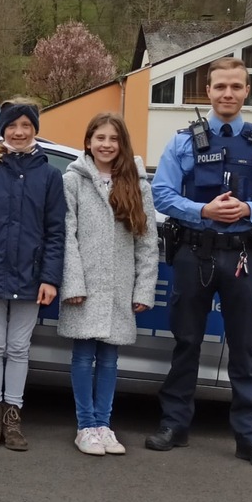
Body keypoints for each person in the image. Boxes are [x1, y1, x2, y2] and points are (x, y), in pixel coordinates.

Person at [147, 57, 252, 470]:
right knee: (186, 343)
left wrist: (248, 207)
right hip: (194, 253)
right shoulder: (181, 142)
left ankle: (251, 438)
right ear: (207, 92)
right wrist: (204, 211)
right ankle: (174, 425)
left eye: (235, 87)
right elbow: (161, 195)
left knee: (245, 350)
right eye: (219, 87)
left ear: (247, 91)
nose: (227, 94)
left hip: (244, 256)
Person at [0, 99, 65, 452]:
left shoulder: (50, 176)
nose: (19, 132)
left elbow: (55, 231)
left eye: (26, 126)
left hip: (31, 276)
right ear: (2, 130)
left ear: (35, 129)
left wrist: (50, 277)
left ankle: (13, 415)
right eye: (12, 126)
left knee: (18, 347)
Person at [58, 113, 157, 456]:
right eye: (99, 138)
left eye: (113, 139)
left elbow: (147, 242)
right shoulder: (73, 180)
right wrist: (72, 282)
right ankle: (85, 426)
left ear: (122, 144)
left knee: (110, 358)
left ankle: (104, 423)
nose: (106, 145)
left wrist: (143, 288)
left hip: (118, 286)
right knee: (83, 356)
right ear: (88, 142)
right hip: (84, 284)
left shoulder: (138, 184)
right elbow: (66, 235)